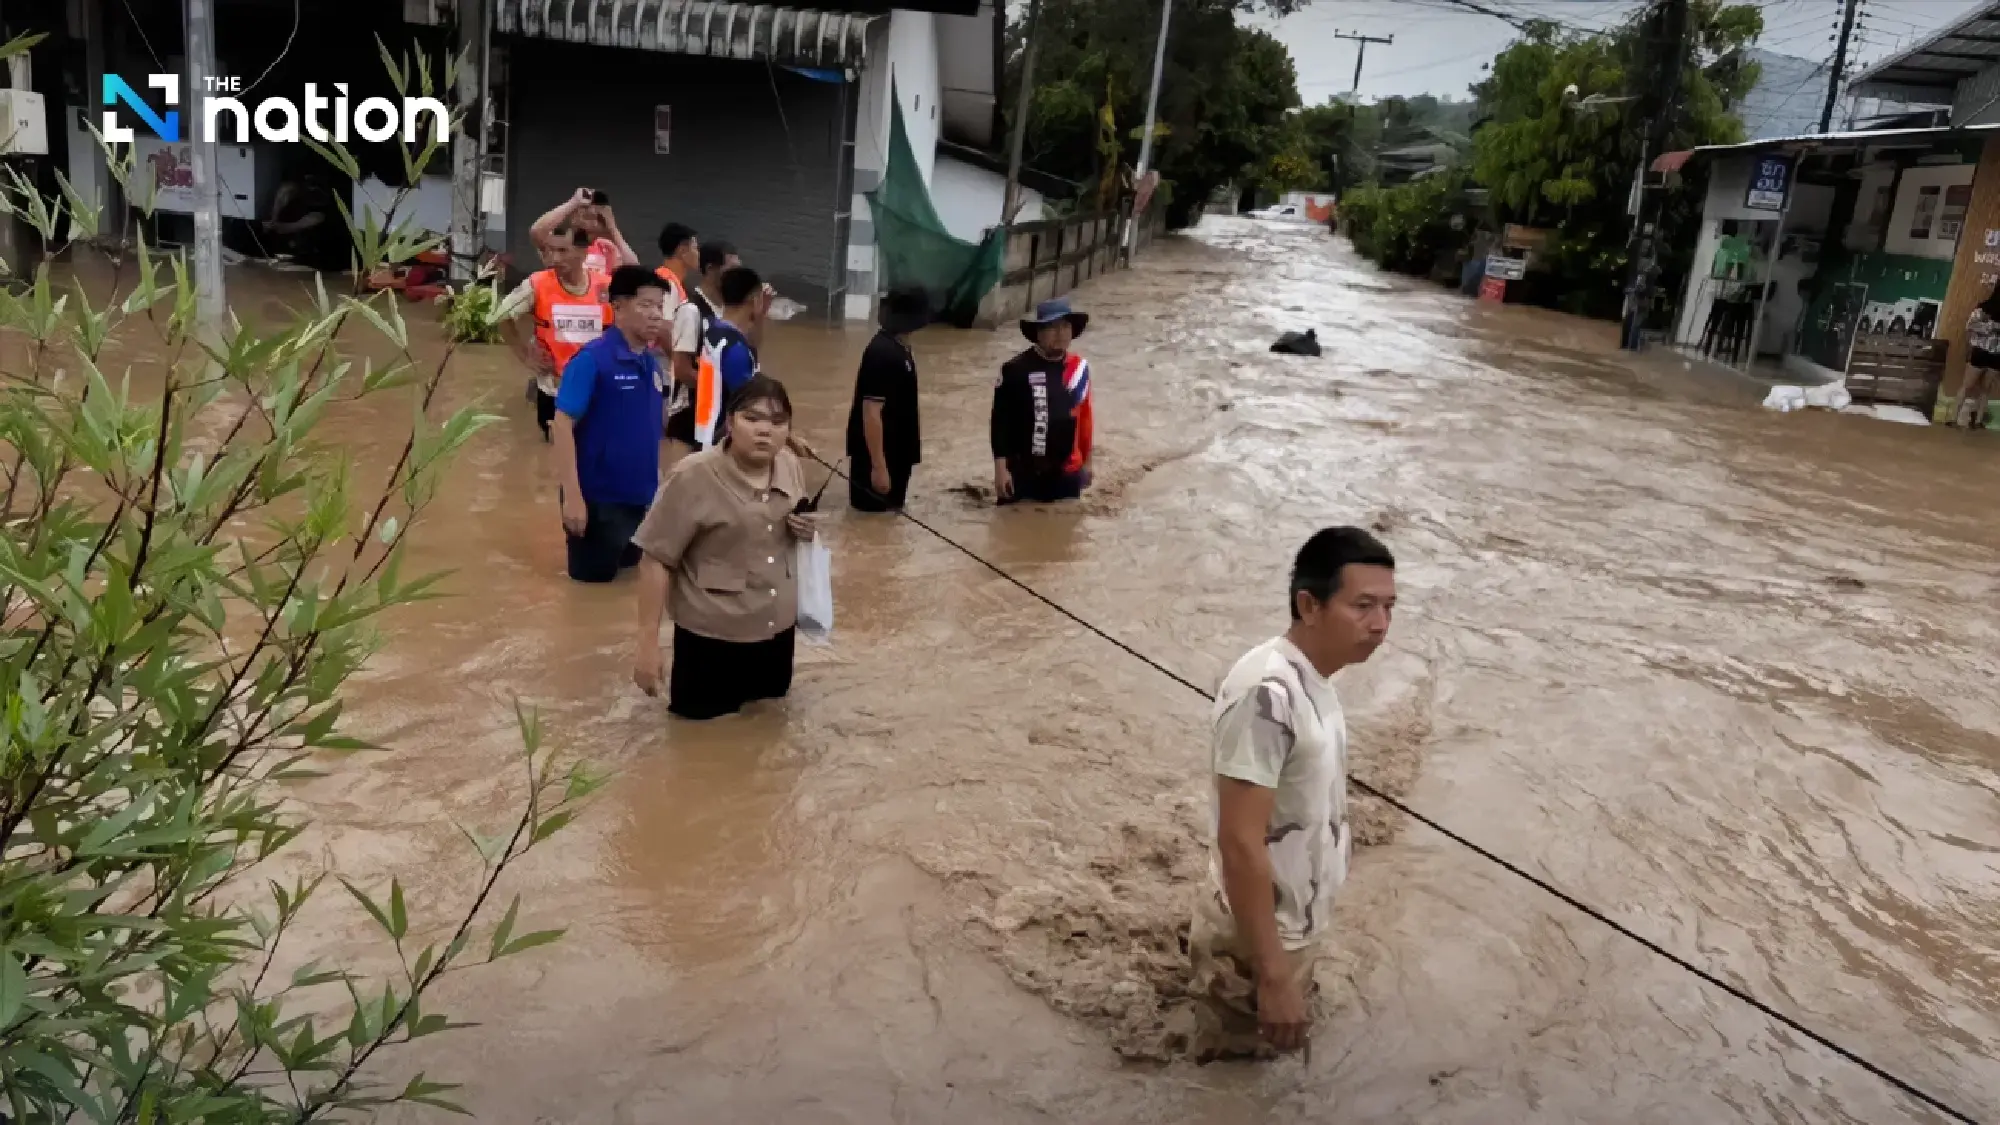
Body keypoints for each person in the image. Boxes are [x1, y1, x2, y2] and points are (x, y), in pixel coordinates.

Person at [1190, 527, 1396, 1062]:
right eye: (1364, 606)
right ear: (1309, 604)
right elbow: (1238, 840)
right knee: (1233, 1085)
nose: (1381, 625)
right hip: (1257, 941)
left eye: (1390, 607)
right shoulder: (1268, 694)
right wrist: (1274, 974)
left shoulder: (1315, 678)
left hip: (1290, 927)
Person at [631, 375, 821, 719]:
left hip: (776, 637)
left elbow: (785, 531)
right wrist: (647, 646)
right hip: (710, 643)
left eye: (778, 422)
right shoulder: (692, 476)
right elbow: (655, 558)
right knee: (697, 749)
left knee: (767, 740)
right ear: (730, 422)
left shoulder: (791, 465)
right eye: (752, 418)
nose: (765, 430)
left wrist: (804, 529)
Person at [550, 266, 671, 584]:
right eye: (645, 305)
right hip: (598, 502)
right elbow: (561, 425)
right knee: (591, 591)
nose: (655, 315)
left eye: (659, 307)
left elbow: (652, 430)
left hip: (641, 498)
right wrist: (573, 498)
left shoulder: (652, 364)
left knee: (629, 583)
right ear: (617, 307)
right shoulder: (592, 360)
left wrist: (658, 485)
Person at [502, 224, 611, 441]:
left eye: (562, 251)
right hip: (554, 391)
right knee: (555, 458)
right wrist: (525, 355)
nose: (554, 258)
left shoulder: (606, 287)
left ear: (583, 252)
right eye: (550, 250)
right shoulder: (538, 284)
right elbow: (501, 316)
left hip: (598, 391)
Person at [991, 297, 1094, 505]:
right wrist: (1000, 470)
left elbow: (1085, 420)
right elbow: (1000, 422)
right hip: (1023, 472)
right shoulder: (1015, 370)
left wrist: (1088, 463)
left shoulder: (1079, 368)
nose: (1061, 333)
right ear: (1038, 333)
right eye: (1053, 327)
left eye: (1065, 326)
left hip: (1067, 471)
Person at [845, 287, 930, 512]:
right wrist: (879, 466)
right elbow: (871, 412)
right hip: (881, 457)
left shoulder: (900, 348)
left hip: (897, 455)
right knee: (872, 523)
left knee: (889, 523)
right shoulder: (882, 352)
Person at [690, 266, 770, 450]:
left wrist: (760, 317)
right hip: (721, 443)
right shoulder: (735, 349)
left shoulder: (714, 331)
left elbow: (752, 341)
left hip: (703, 435)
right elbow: (749, 403)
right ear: (754, 299)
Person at [655, 223, 707, 465]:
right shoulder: (665, 282)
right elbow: (663, 330)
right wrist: (680, 368)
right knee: (667, 441)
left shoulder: (675, 284)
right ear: (682, 250)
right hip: (663, 372)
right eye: (695, 247)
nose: (699, 254)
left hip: (667, 370)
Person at [530, 187, 639, 277]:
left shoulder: (606, 247)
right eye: (585, 213)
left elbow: (634, 271)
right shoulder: (561, 243)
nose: (591, 216)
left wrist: (612, 227)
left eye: (596, 216)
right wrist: (573, 203)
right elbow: (537, 232)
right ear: (573, 216)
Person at [259, 171, 343, 270]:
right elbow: (286, 190)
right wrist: (274, 218)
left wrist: (284, 227)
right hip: (285, 228)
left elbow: (318, 217)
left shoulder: (324, 206)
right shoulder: (291, 191)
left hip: (317, 229)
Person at [1952, 286, 2000, 431]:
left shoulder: (1983, 308)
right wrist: (1992, 326)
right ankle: (1959, 419)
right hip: (1987, 352)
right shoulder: (1983, 309)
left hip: (1991, 353)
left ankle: (1973, 420)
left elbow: (1971, 325)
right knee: (1972, 386)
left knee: (1980, 388)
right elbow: (1971, 325)